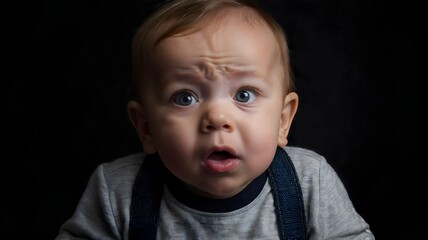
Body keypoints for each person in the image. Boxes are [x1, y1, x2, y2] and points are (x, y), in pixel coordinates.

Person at [56, 0, 375, 239]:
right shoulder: (116, 192)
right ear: (146, 127)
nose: (217, 118)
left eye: (244, 95)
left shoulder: (310, 183)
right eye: (185, 97)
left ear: (282, 120)